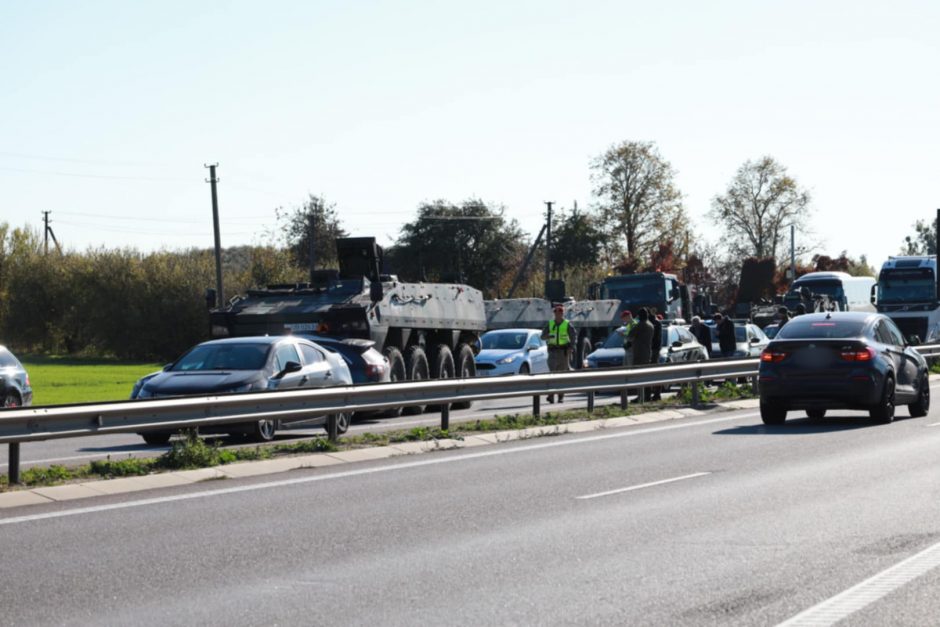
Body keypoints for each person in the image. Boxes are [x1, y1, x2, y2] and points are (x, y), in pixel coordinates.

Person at [541, 304, 576, 403]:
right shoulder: (550, 323)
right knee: (552, 374)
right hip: (552, 352)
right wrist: (548, 336)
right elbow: (542, 336)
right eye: (556, 311)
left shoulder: (567, 324)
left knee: (561, 376)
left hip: (563, 353)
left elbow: (573, 336)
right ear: (554, 313)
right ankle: (551, 396)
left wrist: (571, 347)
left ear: (563, 313)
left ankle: (561, 396)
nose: (558, 313)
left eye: (560, 311)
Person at [628, 308, 654, 401]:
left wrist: (632, 324)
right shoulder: (650, 325)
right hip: (647, 352)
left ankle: (641, 396)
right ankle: (646, 395)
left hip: (639, 352)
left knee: (639, 376)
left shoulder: (641, 325)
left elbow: (630, 335)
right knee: (646, 376)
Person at [649, 312, 664, 401]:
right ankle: (655, 393)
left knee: (654, 372)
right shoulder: (656, 323)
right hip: (654, 349)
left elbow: (654, 338)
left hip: (654, 350)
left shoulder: (655, 324)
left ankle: (657, 393)